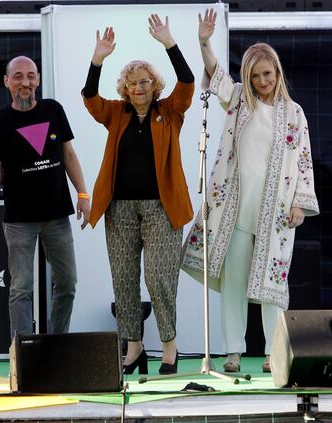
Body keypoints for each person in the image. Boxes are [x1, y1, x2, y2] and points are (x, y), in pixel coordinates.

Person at [181, 9, 319, 373]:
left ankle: (276, 354)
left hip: (275, 212)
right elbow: (216, 76)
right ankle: (232, 352)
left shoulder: (295, 113)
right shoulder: (240, 99)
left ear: (277, 72)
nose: (262, 81)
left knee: (273, 284)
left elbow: (303, 161)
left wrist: (300, 207)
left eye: (267, 74)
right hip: (237, 209)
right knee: (235, 282)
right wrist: (204, 42)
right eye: (256, 75)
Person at [82, 14, 194, 375]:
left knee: (159, 277)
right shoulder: (115, 113)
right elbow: (89, 98)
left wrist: (169, 43)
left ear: (154, 84)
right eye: (132, 83)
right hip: (120, 209)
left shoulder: (171, 111)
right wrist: (97, 59)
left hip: (162, 208)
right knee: (124, 277)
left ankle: (169, 347)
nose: (138, 87)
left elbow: (188, 82)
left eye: (144, 81)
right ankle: (133, 348)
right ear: (125, 89)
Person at [0, 56, 90, 340]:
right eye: (17, 76)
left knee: (68, 283)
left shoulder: (53, 110)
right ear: (7, 82)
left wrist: (82, 193)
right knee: (21, 288)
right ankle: (23, 352)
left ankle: (56, 344)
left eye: (30, 75)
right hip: (19, 220)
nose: (25, 82)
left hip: (57, 215)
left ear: (38, 79)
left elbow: (68, 154)